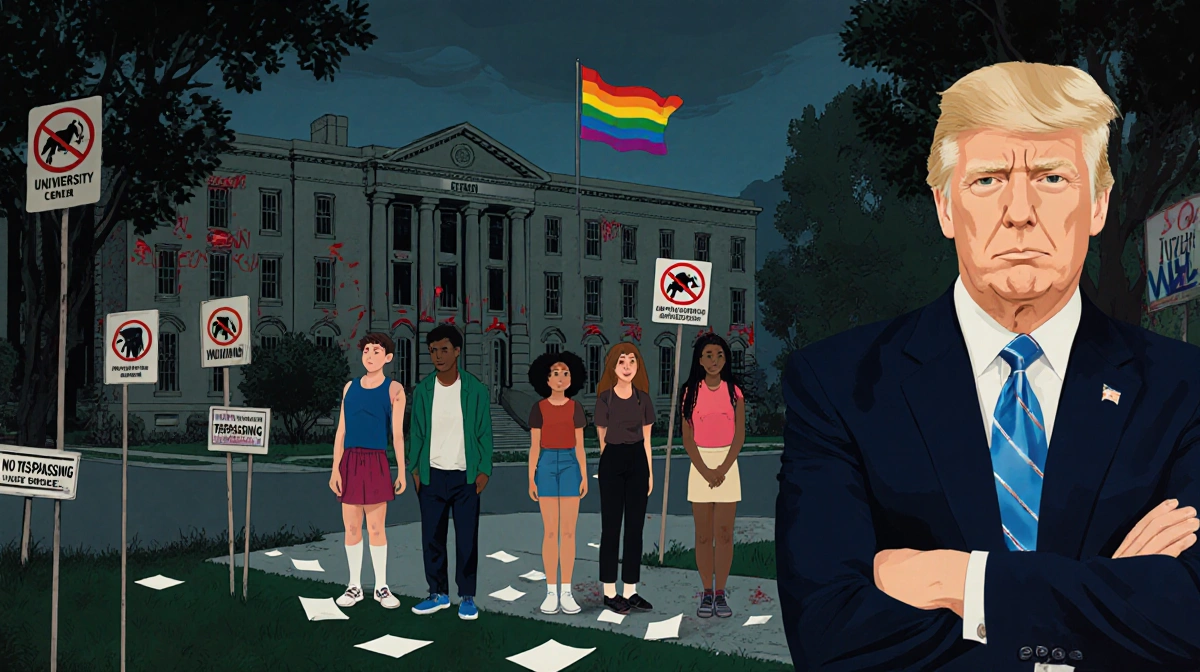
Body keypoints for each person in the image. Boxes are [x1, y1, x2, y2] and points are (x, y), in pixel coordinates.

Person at [776, 60, 1200, 671]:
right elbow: (829, 636)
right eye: (988, 180)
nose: (1019, 210)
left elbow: (1193, 621)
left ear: (1100, 204)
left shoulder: (1184, 389)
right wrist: (1108, 601)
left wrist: (963, 581)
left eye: (1052, 177)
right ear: (946, 207)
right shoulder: (839, 386)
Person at [406, 325, 493, 621]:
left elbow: (484, 433)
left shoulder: (475, 389)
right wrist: (415, 470)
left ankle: (467, 596)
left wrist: (484, 470)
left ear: (457, 351)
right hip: (431, 476)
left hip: (465, 477)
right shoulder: (423, 391)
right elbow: (416, 433)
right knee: (432, 537)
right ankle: (438, 593)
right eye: (433, 350)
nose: (438, 356)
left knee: (467, 539)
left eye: (444, 349)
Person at [328, 333, 406, 610]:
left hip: (375, 461)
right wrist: (335, 469)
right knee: (351, 527)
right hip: (350, 461)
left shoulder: (394, 389)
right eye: (366, 351)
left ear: (388, 357)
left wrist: (401, 471)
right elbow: (341, 431)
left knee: (375, 527)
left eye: (376, 351)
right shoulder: (350, 388)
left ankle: (382, 587)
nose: (369, 356)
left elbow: (397, 435)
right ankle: (354, 586)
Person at [680, 333, 745, 619]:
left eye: (719, 355)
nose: (714, 361)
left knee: (724, 534)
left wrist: (723, 468)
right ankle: (706, 591)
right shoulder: (690, 392)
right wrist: (705, 469)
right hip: (701, 465)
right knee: (704, 536)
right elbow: (687, 437)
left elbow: (740, 435)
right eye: (708, 355)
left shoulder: (735, 392)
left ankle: (721, 593)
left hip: (727, 465)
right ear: (699, 359)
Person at [594, 342, 656, 615]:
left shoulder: (644, 399)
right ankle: (610, 591)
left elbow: (648, 441)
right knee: (611, 528)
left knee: (635, 528)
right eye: (622, 362)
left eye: (632, 361)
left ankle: (630, 589)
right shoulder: (604, 399)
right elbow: (601, 441)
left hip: (638, 462)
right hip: (612, 460)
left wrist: (650, 472)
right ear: (612, 367)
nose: (628, 366)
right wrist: (610, 468)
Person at [526, 351, 589, 615]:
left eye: (565, 373)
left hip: (570, 465)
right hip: (548, 464)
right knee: (550, 531)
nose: (561, 378)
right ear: (546, 379)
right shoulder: (538, 409)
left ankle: (567, 590)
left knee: (569, 532)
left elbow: (581, 446)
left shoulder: (576, 408)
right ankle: (551, 591)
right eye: (555, 373)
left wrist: (584, 474)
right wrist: (531, 476)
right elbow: (534, 446)